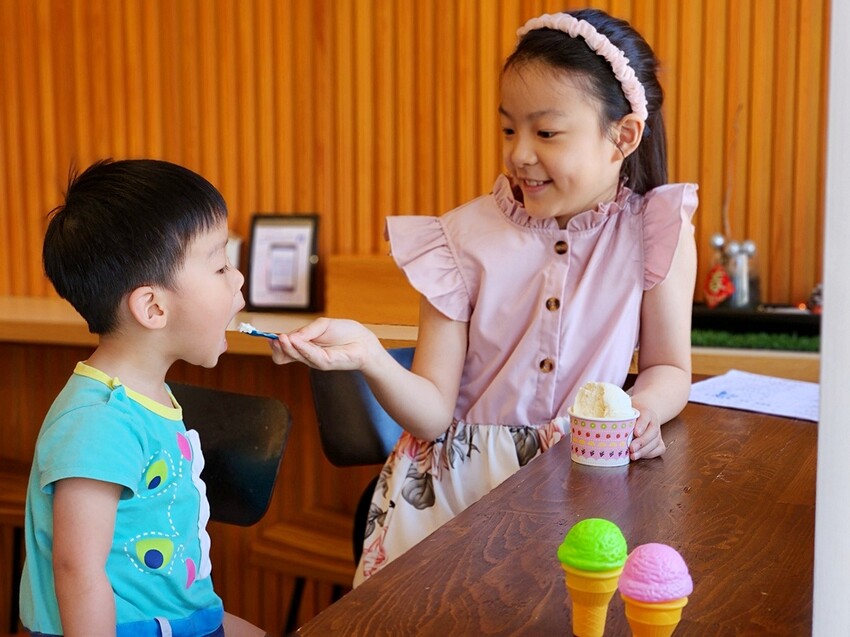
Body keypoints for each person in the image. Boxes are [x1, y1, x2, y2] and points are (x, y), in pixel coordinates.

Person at [271, 8, 697, 586]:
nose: (519, 153)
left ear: (622, 136)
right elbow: (432, 413)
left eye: (545, 132)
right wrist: (369, 354)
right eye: (508, 129)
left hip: (589, 481)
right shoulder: (457, 240)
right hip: (455, 500)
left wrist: (641, 411)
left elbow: (669, 367)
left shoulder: (656, 230)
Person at [20, 159, 265, 637]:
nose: (237, 280)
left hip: (181, 619)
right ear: (153, 307)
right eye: (219, 266)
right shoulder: (99, 420)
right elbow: (78, 572)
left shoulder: (147, 395)